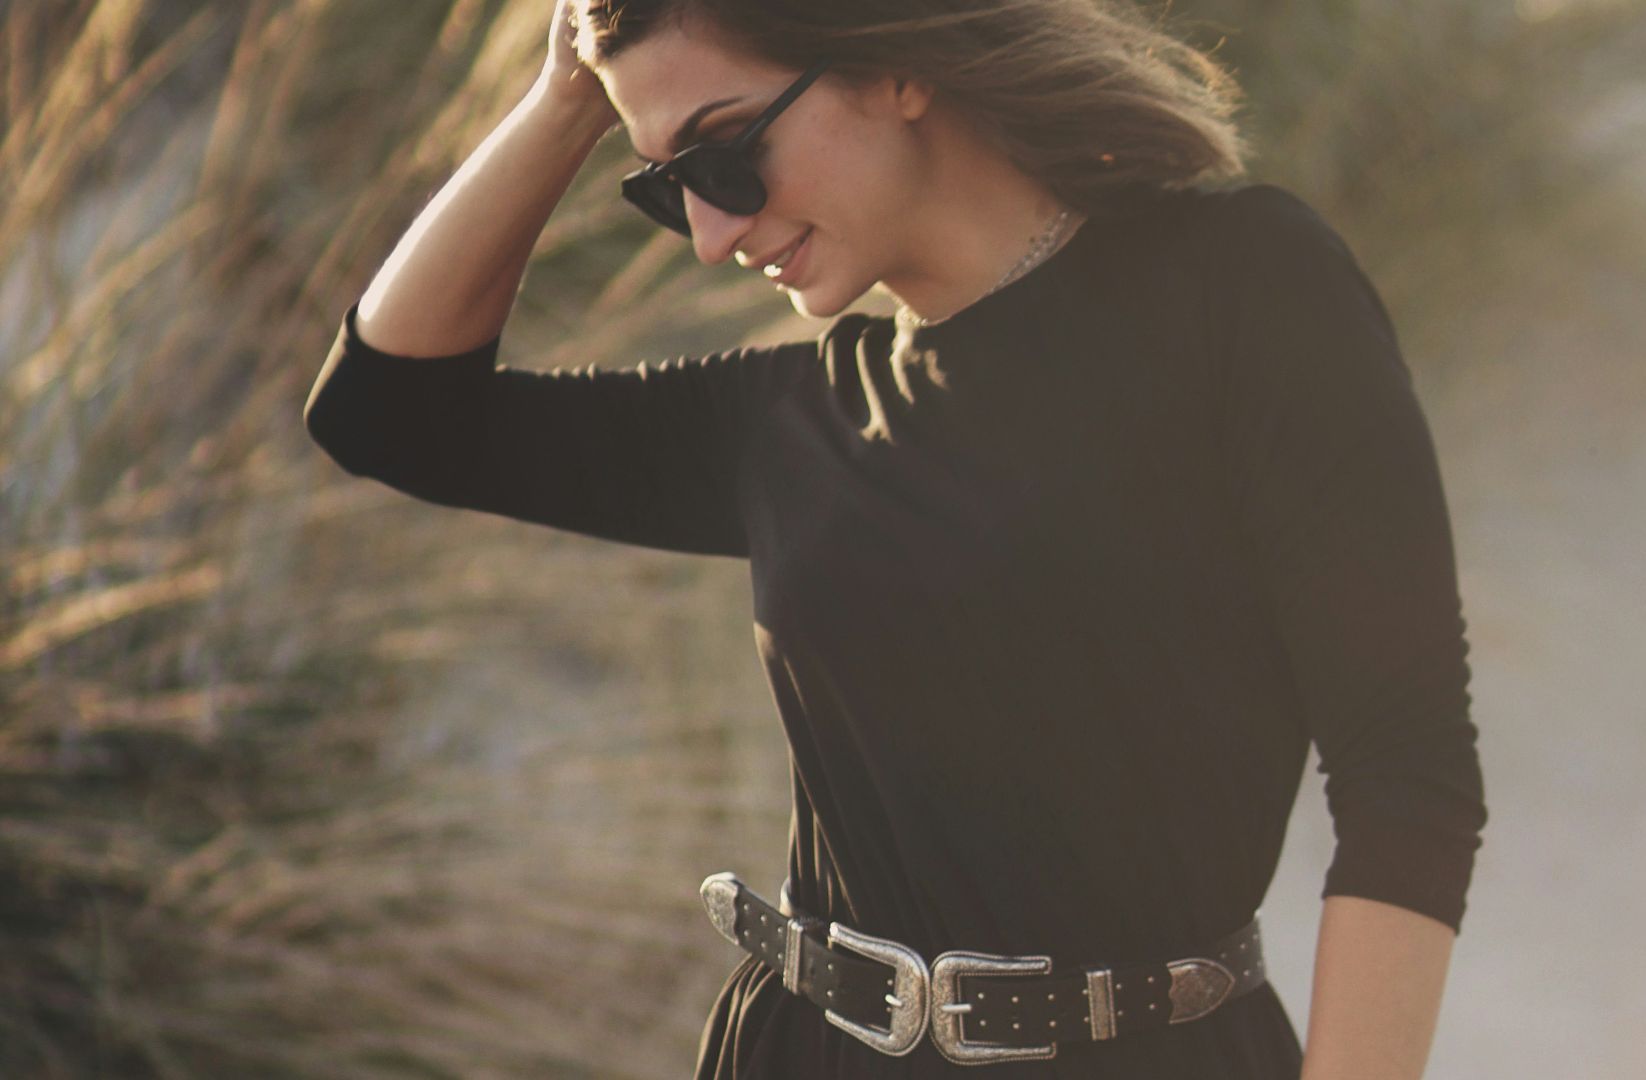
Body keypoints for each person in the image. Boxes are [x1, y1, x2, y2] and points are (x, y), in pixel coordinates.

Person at [302, 0, 1489, 1076]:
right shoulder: (785, 419)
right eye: (669, 187)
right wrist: (566, 95)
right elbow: (390, 414)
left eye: (722, 151)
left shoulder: (1241, 288)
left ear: (892, 63)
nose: (714, 232)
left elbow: (1409, 783)